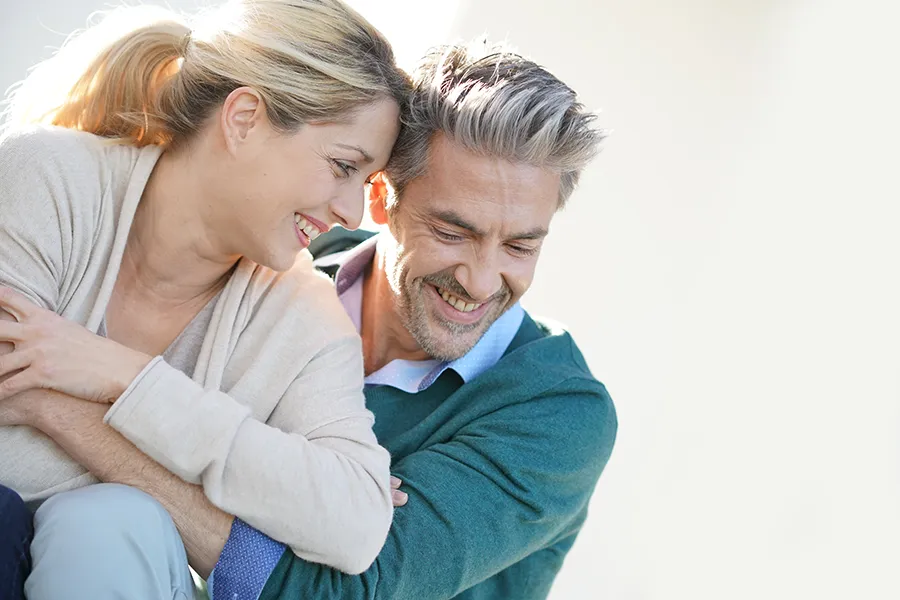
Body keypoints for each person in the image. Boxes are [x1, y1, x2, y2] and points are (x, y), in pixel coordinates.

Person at [5, 39, 618, 600]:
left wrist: (55, 407)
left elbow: (346, 591)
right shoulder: (280, 273)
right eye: (452, 232)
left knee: (110, 520)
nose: (482, 281)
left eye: (520, 247)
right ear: (381, 198)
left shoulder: (556, 410)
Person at [0, 0, 410, 598]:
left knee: (112, 522)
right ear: (244, 118)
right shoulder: (50, 180)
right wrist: (248, 484)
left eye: (366, 183)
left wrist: (114, 379)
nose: (351, 213)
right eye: (343, 166)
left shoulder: (304, 315)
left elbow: (354, 522)